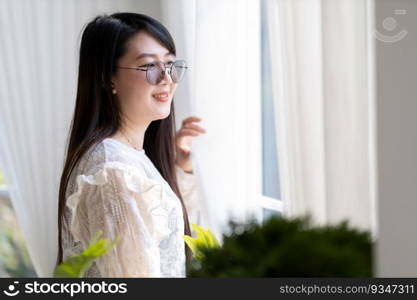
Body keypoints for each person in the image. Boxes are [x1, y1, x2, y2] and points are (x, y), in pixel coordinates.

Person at [56, 12, 206, 277]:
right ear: (107, 78)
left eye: (170, 64)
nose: (166, 79)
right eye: (149, 66)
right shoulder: (114, 172)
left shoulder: (126, 158)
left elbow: (168, 242)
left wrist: (180, 166)